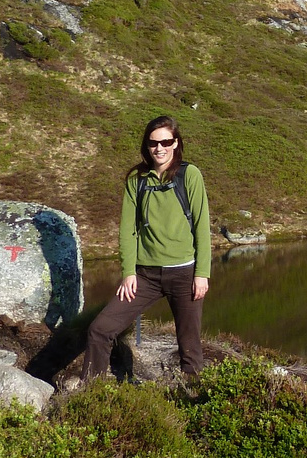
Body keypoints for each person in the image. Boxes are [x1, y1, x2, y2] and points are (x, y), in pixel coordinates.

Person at [82, 115, 211, 379]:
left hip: (185, 274)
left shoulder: (190, 175)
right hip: (145, 276)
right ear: (147, 145)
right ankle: (90, 393)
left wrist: (202, 274)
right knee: (100, 329)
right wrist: (128, 272)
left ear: (176, 144)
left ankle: (194, 403)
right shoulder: (136, 180)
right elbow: (128, 231)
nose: (159, 148)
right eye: (154, 143)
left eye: (166, 142)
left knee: (190, 348)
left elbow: (201, 226)